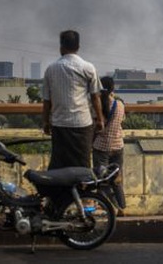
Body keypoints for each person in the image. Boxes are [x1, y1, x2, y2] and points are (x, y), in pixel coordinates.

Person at [42, 30, 104, 170]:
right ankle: (81, 191)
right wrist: (100, 119)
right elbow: (95, 97)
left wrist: (45, 122)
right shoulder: (88, 68)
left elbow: (47, 101)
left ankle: (61, 192)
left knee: (59, 164)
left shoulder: (51, 69)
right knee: (82, 164)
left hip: (59, 124)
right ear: (78, 47)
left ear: (61, 46)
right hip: (82, 124)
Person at [92, 76, 126, 214]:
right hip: (118, 146)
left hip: (101, 147)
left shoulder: (97, 104)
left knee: (102, 180)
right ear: (113, 89)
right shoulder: (120, 105)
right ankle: (122, 207)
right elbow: (122, 121)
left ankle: (111, 206)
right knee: (116, 179)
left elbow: (95, 125)